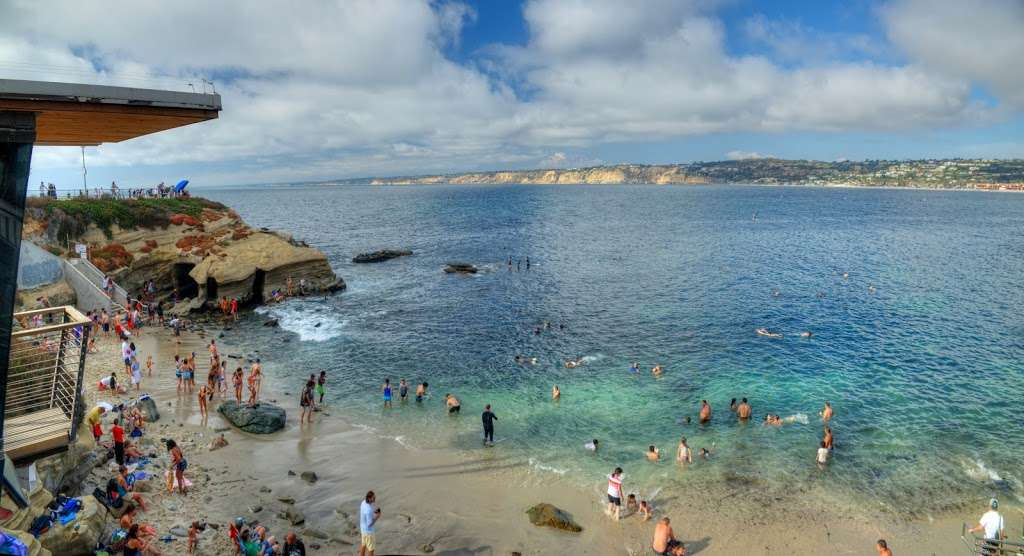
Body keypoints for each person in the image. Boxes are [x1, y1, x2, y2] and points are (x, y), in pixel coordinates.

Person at [359, 491, 380, 556]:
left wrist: (373, 512)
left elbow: (366, 513)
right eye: (373, 498)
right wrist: (377, 516)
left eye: (375, 497)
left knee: (363, 545)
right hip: (369, 532)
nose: (375, 499)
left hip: (363, 530)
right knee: (371, 549)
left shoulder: (363, 502)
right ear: (369, 498)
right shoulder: (368, 510)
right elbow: (369, 524)